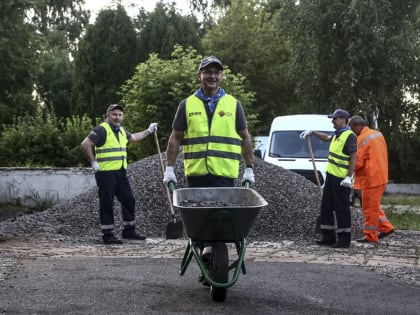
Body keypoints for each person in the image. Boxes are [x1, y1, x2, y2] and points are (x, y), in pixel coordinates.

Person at [163, 55, 255, 263]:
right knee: (201, 220)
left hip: (224, 174)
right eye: (208, 72)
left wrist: (249, 168)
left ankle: (210, 253)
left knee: (220, 218)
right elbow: (175, 138)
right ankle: (209, 253)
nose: (212, 76)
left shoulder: (233, 104)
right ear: (200, 75)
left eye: (216, 72)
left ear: (221, 76)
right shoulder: (187, 105)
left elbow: (245, 137)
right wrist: (169, 169)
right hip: (197, 174)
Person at [81, 104, 158, 244]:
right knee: (107, 203)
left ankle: (129, 230)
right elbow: (85, 144)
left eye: (120, 115)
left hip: (121, 172)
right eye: (114, 114)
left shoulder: (121, 130)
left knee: (129, 199)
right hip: (106, 173)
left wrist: (149, 130)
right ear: (108, 115)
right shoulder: (101, 130)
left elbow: (133, 138)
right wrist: (93, 163)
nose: (117, 117)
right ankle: (107, 234)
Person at [300, 109, 357, 248]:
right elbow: (326, 138)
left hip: (342, 180)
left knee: (341, 209)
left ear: (343, 119)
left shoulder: (349, 136)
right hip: (331, 177)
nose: (332, 121)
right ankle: (328, 237)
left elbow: (354, 157)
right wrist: (312, 132)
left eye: (335, 119)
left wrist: (349, 177)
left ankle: (344, 240)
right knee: (326, 207)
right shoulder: (338, 135)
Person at [349, 115, 394, 243]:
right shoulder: (377, 134)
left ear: (358, 126)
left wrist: (347, 166)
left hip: (371, 178)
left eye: (352, 128)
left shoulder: (361, 139)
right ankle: (386, 227)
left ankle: (370, 235)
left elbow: (358, 163)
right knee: (372, 206)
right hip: (380, 175)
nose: (352, 131)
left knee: (369, 209)